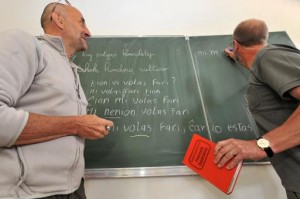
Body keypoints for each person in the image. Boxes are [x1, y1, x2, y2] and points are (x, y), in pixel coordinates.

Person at [0, 1, 113, 199]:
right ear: (58, 19)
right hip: (30, 195)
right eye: (82, 22)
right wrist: (77, 125)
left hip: (73, 189)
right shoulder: (25, 44)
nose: (88, 32)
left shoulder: (70, 70)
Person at [214, 19, 300, 199]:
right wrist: (241, 58)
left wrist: (261, 145)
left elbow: (263, 60)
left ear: (235, 44)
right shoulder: (266, 60)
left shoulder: (267, 57)